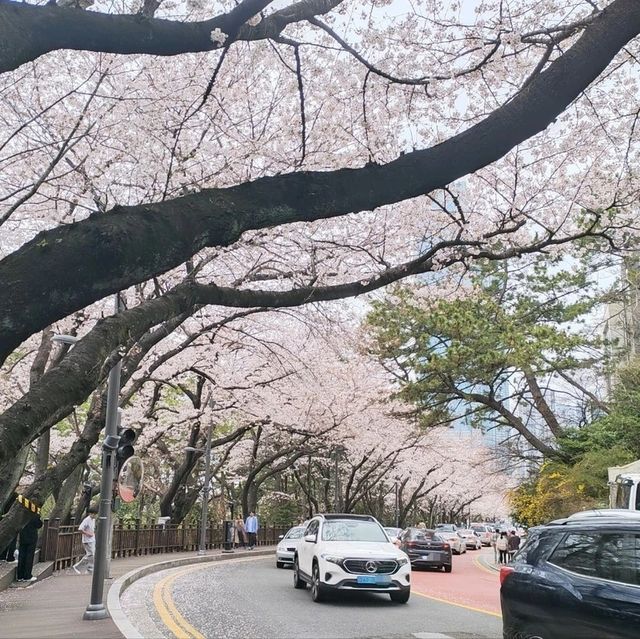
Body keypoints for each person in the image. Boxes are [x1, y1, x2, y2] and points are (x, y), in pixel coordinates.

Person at [16, 514, 42, 582]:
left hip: (23, 535)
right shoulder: (34, 513)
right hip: (31, 536)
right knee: (29, 556)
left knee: (21, 556)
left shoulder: (22, 512)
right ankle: (27, 576)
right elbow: (38, 524)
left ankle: (20, 576)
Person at [73, 505, 98, 574]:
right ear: (90, 513)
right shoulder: (86, 520)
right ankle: (86, 569)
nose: (95, 515)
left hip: (92, 539)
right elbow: (80, 529)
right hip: (87, 540)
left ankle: (87, 569)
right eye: (94, 514)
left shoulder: (93, 520)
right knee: (91, 554)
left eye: (96, 514)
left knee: (91, 555)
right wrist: (87, 533)